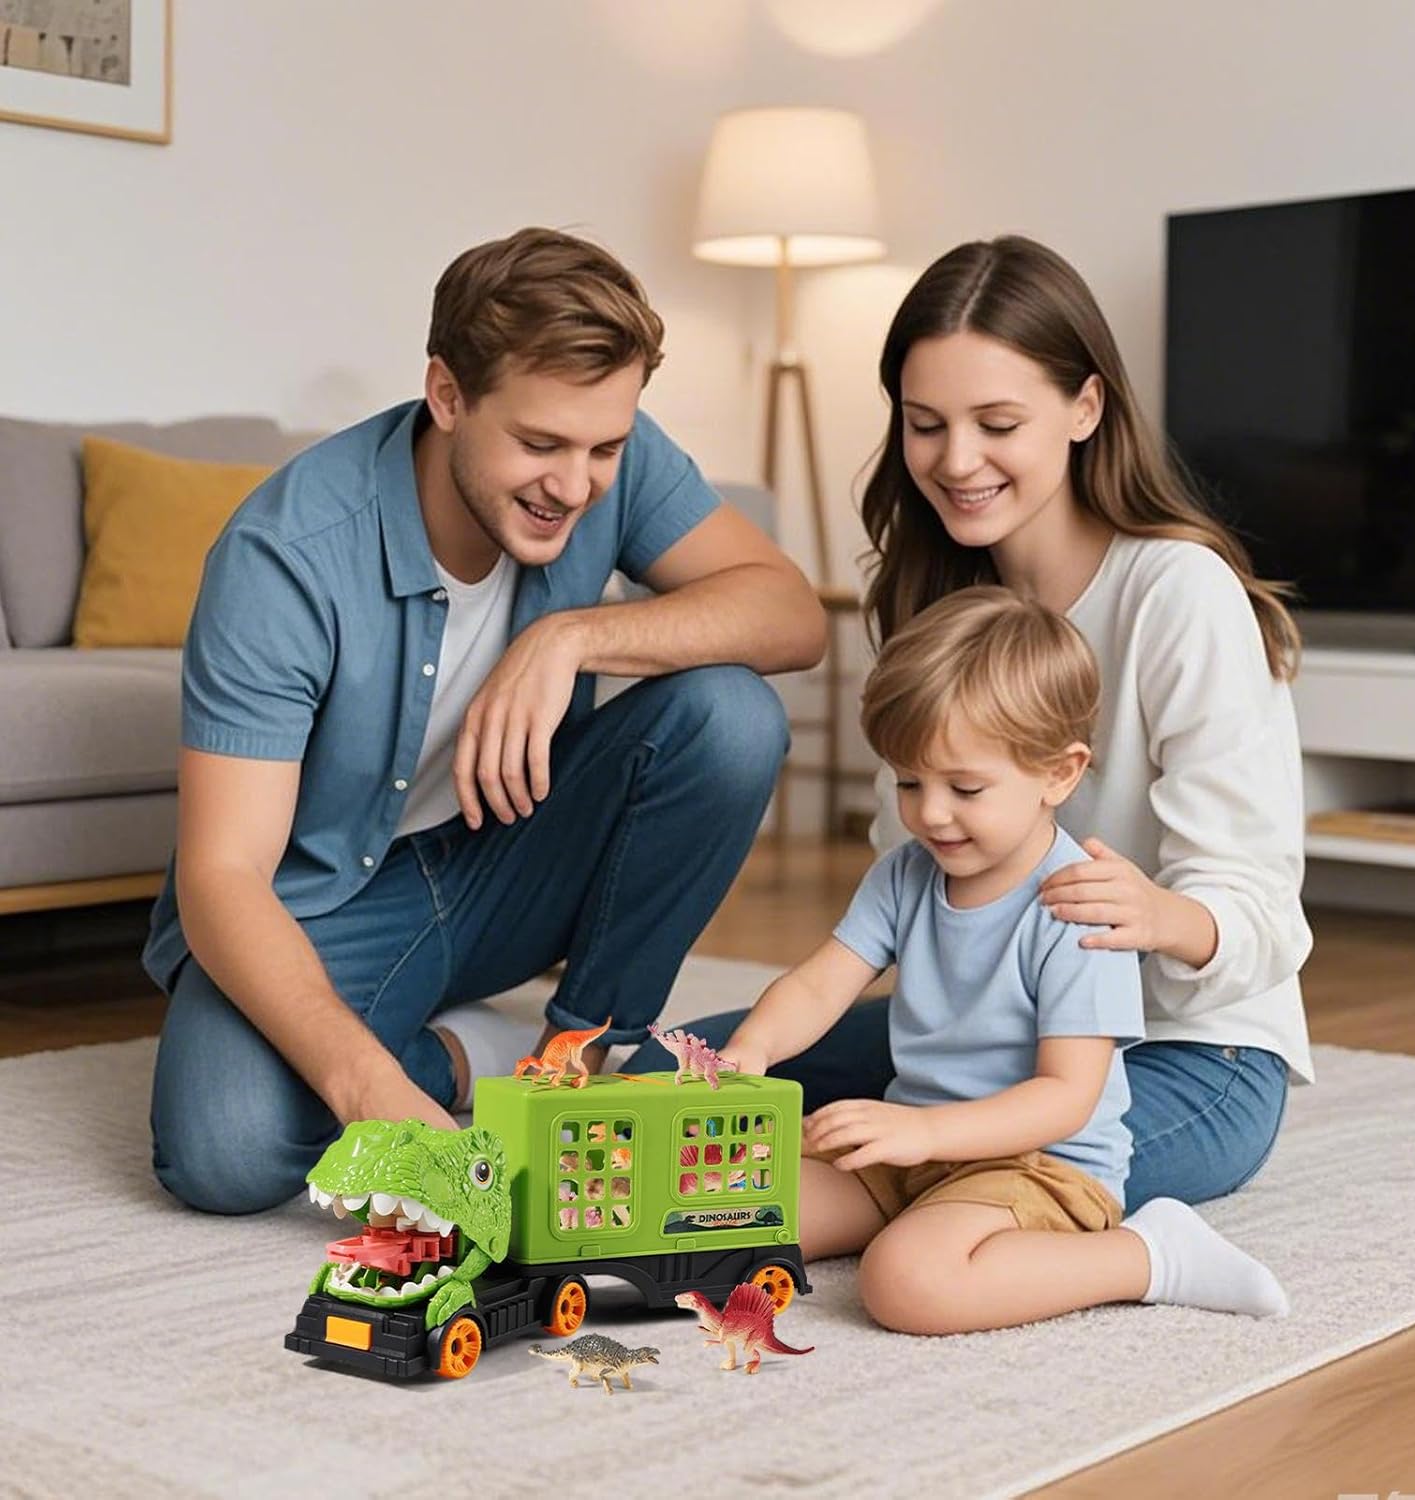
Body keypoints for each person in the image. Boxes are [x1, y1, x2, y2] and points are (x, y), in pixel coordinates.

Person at [624, 235, 1313, 1214]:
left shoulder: (1178, 594)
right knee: (664, 1081)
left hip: (1186, 1053)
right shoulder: (934, 599)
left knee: (935, 1187)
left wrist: (1162, 916)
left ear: (1085, 407)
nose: (956, 461)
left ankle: (1132, 1256)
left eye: (997, 423)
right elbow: (907, 867)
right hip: (983, 1037)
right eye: (925, 424)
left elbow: (1263, 912)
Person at [146, 227, 826, 1215]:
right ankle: (469, 1057)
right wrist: (373, 1093)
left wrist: (571, 638)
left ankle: (578, 1053)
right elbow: (222, 874)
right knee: (227, 1154)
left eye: (604, 448)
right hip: (327, 908)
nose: (575, 485)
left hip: (512, 864)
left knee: (730, 716)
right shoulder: (283, 555)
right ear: (447, 395)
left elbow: (791, 613)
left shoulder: (609, 459)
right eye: (540, 445)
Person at [719, 587, 1287, 1333]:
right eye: (909, 782)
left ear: (1060, 773)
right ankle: (921, 1211)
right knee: (725, 1212)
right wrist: (752, 1049)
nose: (930, 813)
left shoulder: (1077, 906)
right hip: (917, 1146)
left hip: (1041, 1164)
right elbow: (822, 983)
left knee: (907, 1283)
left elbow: (1066, 1097)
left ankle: (1147, 1256)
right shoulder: (905, 874)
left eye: (965, 787)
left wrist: (926, 1133)